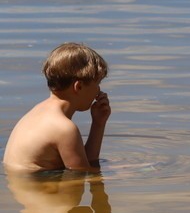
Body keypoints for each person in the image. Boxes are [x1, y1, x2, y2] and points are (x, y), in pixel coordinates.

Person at [3, 43, 111, 172]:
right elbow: (81, 174)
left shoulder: (37, 112)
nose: (98, 91)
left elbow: (84, 162)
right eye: (97, 83)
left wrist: (98, 123)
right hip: (41, 189)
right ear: (79, 86)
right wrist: (123, 172)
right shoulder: (64, 128)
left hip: (25, 187)